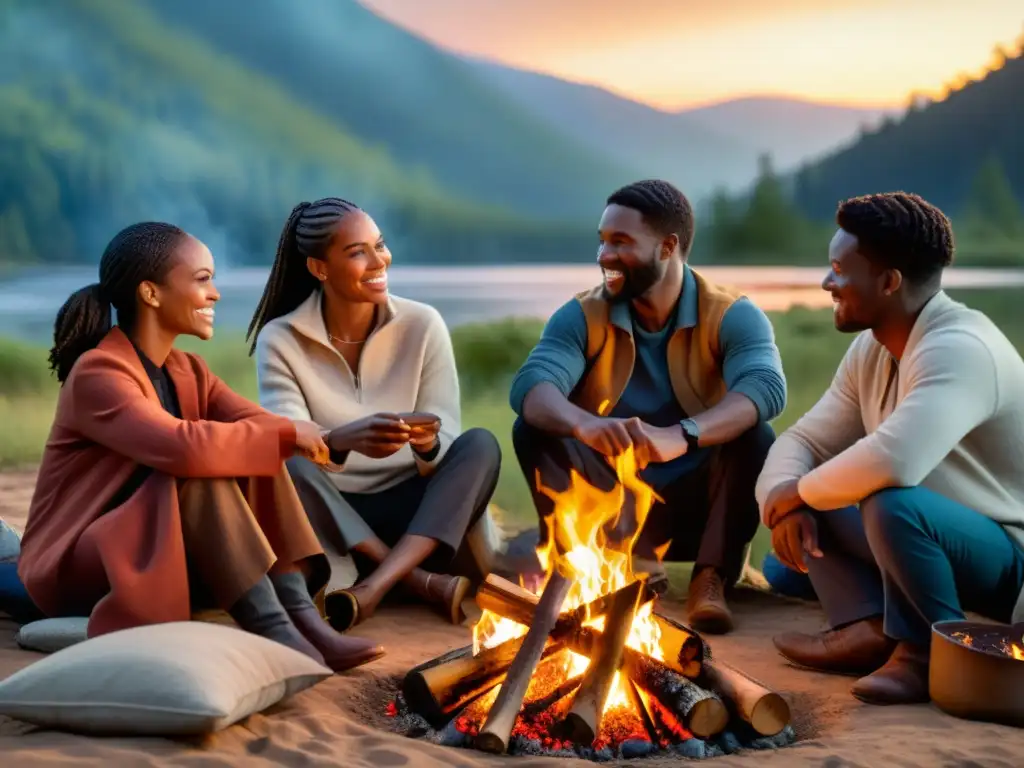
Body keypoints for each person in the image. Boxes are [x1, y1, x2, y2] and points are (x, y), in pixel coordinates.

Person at [17, 222, 384, 673]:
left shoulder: (188, 370)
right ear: (151, 294)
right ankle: (274, 629)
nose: (215, 295)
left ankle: (305, 619)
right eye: (203, 279)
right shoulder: (100, 375)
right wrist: (288, 434)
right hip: (82, 563)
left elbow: (255, 424)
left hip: (162, 548)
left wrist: (310, 435)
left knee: (257, 455)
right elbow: (182, 448)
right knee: (202, 469)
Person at [756, 191, 1024, 705]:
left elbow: (896, 460)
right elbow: (805, 440)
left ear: (889, 281)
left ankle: (925, 654)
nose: (826, 282)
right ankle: (866, 627)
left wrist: (800, 493)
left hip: (1006, 555)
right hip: (922, 540)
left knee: (885, 497)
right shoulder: (873, 347)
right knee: (785, 559)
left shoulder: (963, 349)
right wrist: (783, 501)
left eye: (838, 269)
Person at [509, 179, 787, 634]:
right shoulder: (582, 314)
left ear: (667, 246)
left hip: (699, 509)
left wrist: (681, 436)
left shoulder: (733, 313)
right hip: (611, 505)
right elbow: (531, 387)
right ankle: (588, 565)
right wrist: (583, 424)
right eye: (601, 242)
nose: (604, 256)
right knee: (534, 427)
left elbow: (766, 388)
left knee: (756, 435)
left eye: (621, 243)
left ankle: (711, 577)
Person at [247, 198, 502, 633]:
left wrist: (426, 443)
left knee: (480, 445)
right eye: (357, 252)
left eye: (379, 245)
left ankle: (375, 587)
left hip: (422, 517)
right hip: (332, 516)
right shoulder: (281, 339)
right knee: (282, 458)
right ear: (319, 268)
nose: (378, 260)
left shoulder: (424, 324)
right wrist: (343, 440)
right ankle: (417, 582)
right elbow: (290, 434)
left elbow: (448, 439)